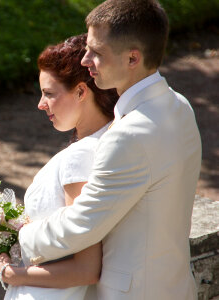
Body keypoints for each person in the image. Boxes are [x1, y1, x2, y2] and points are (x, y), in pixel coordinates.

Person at [16, 0, 202, 299]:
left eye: (97, 53)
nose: (86, 61)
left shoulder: (129, 135)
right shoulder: (179, 105)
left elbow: (82, 224)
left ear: (132, 58)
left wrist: (19, 235)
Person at [0, 34, 119, 299]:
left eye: (49, 94)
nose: (40, 104)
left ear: (81, 91)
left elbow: (86, 268)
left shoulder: (80, 155)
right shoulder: (109, 140)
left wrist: (6, 272)